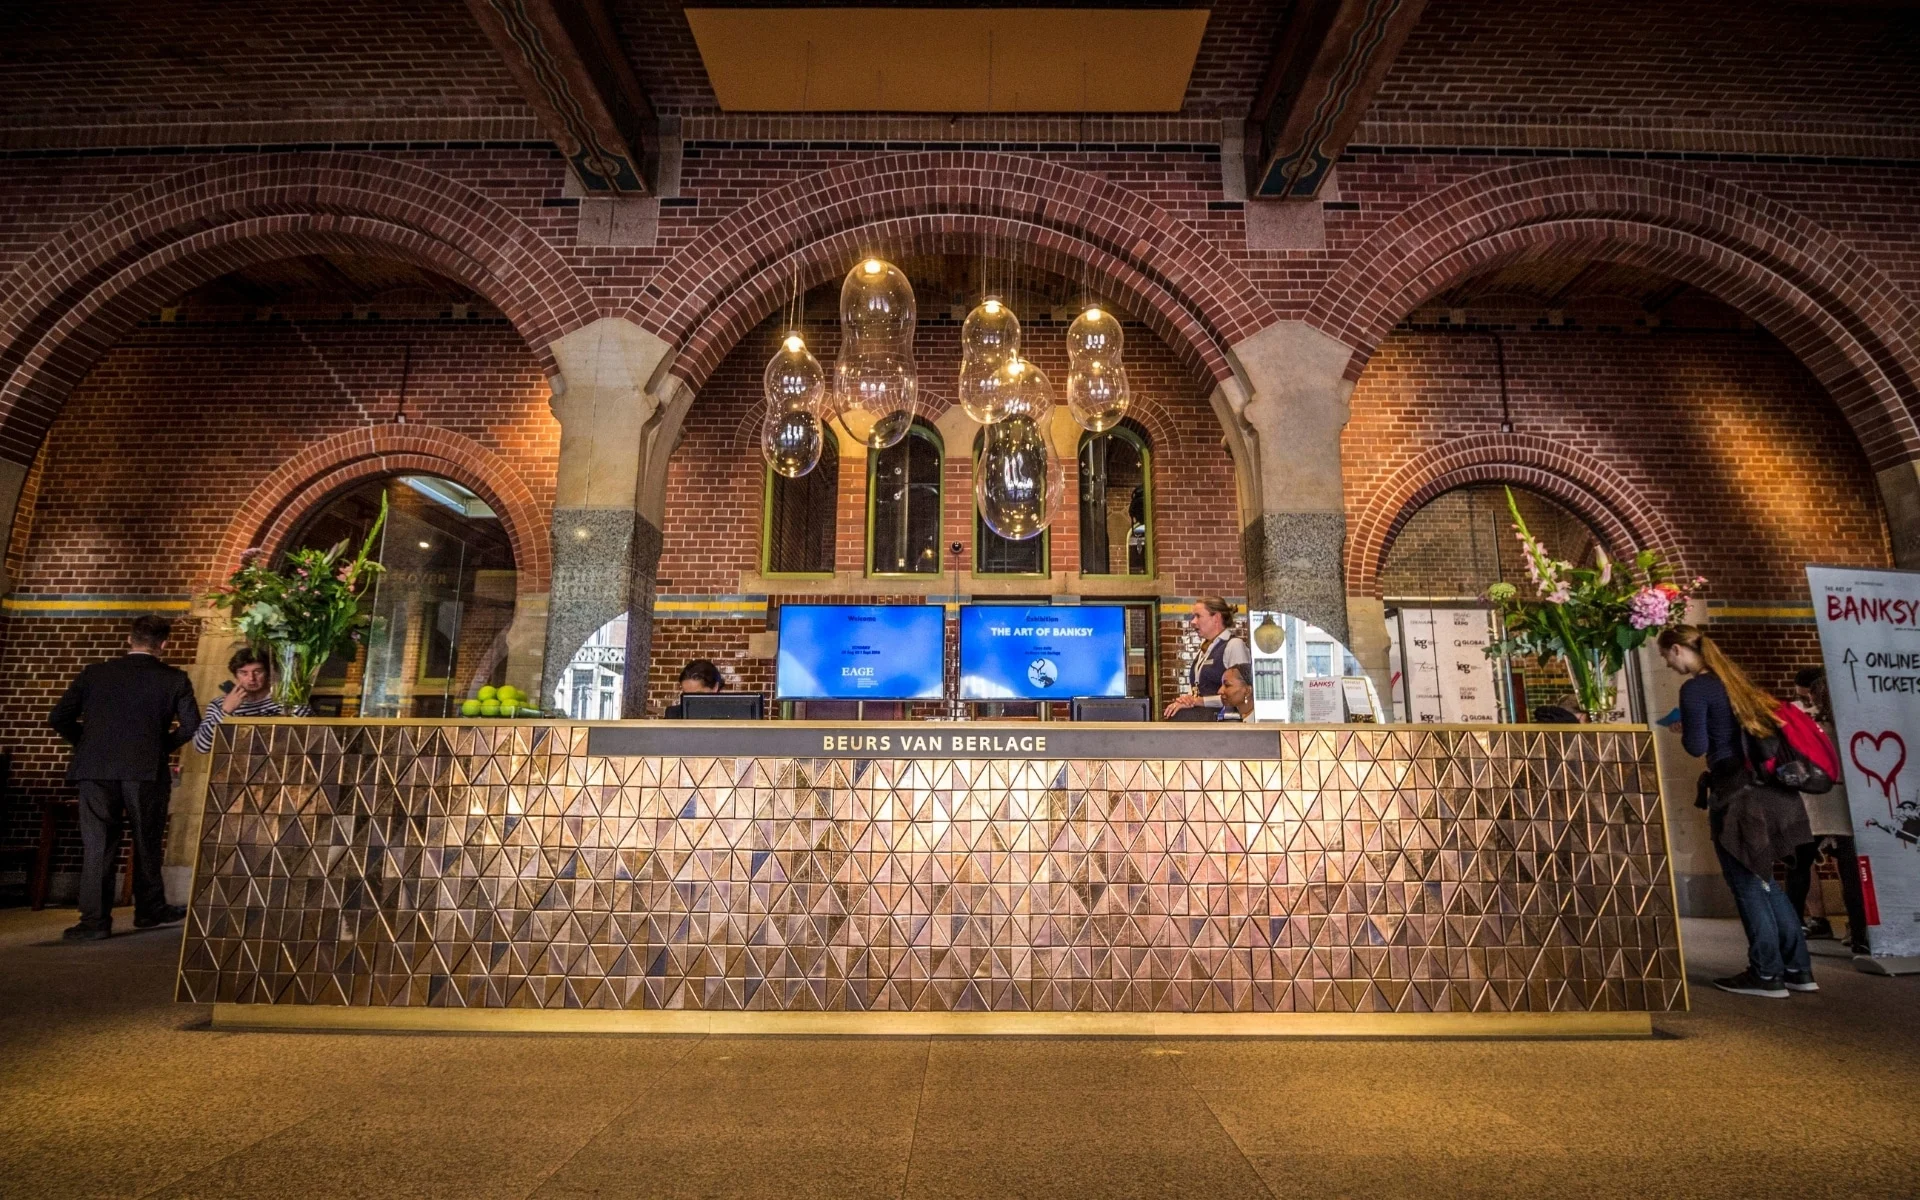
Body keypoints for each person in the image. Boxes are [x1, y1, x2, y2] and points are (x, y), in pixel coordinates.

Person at [1658, 625, 1814, 997]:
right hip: (1773, 793)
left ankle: (1765, 974)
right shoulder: (1737, 682)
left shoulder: (1696, 688)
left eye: (1665, 655)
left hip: (1737, 795)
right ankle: (1798, 969)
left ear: (1678, 649)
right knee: (1765, 880)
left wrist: (1683, 728)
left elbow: (1698, 747)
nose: (1665, 662)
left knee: (1746, 883)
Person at [48, 615, 199, 940]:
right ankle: (148, 911)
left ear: (130, 640)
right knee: (146, 841)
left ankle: (94, 922)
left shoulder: (95, 673)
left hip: (95, 769)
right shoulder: (174, 679)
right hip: (145, 770)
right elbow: (190, 725)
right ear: (164, 644)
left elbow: (58, 716)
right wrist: (160, 748)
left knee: (98, 845)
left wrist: (86, 744)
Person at [1787, 667, 1870, 955]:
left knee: (1799, 870)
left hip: (1811, 800)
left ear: (1812, 694)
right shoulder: (1850, 723)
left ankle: (1792, 930)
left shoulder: (1803, 723)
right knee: (1851, 875)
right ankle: (1860, 936)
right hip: (1843, 799)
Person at [192, 646, 309, 753]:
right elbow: (202, 747)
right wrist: (225, 711)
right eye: (243, 673)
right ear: (235, 676)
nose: (251, 678)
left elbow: (311, 738)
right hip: (238, 768)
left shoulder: (288, 699)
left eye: (257, 671)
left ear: (267, 673)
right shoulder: (219, 704)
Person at [1162, 596, 1249, 718]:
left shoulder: (1234, 645)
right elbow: (1195, 691)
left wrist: (1198, 701)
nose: (1193, 622)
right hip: (1202, 716)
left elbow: (1240, 694)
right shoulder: (1204, 649)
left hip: (1222, 717)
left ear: (1216, 618)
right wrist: (1185, 700)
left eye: (1198, 616)